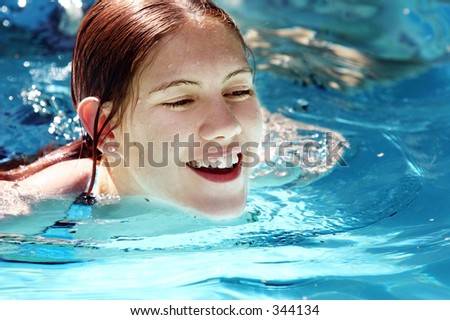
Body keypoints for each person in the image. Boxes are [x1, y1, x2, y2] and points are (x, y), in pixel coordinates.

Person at [0, 0, 346, 219]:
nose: (227, 126)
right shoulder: (53, 199)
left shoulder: (277, 164)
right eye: (180, 100)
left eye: (239, 90)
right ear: (106, 126)